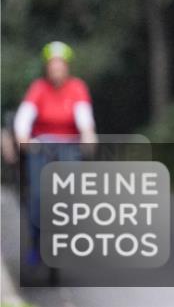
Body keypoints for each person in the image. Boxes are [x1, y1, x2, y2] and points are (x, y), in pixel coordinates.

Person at [13, 41, 97, 266]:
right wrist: (23, 138)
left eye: (60, 64)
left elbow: (84, 119)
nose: (56, 69)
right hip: (41, 146)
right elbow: (24, 118)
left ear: (67, 67)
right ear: (47, 67)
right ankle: (36, 243)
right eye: (52, 64)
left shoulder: (77, 88)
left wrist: (88, 136)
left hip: (69, 145)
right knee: (37, 196)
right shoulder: (38, 89)